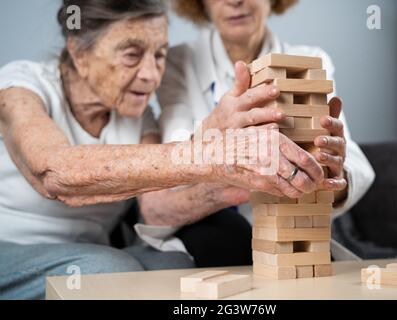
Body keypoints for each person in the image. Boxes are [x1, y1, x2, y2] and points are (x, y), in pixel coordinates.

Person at [0, 0, 324, 299]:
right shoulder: (22, 85)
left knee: (172, 267)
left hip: (86, 251)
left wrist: (244, 179)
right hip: (11, 250)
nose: (152, 75)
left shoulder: (141, 118)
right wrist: (216, 153)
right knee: (108, 270)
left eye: (159, 55)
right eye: (131, 55)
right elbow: (54, 173)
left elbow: (156, 208)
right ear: (79, 53)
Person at [147, 0, 375, 264]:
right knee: (220, 238)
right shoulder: (179, 62)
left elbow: (352, 164)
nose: (235, 2)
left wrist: (328, 175)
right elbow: (172, 163)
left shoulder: (310, 60)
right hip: (210, 226)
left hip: (291, 221)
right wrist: (217, 133)